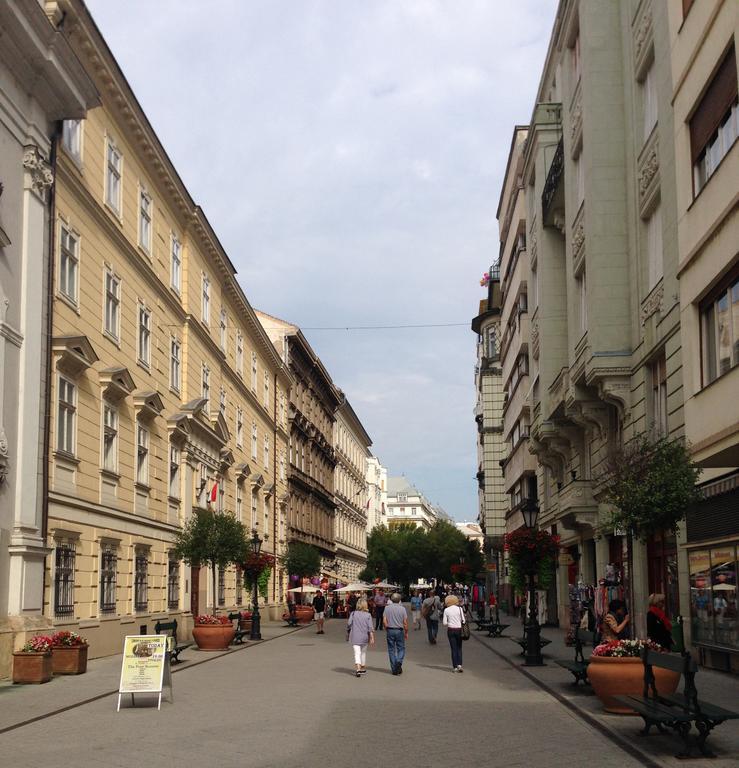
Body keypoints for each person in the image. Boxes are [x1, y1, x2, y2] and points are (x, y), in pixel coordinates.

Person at [346, 597, 374, 677]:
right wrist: (372, 637)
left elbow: (349, 624)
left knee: (357, 653)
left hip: (355, 636)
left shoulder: (353, 613)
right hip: (364, 636)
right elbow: (370, 627)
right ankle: (362, 668)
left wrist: (348, 630)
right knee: (363, 653)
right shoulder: (368, 615)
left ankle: (358, 669)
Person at [383, 593, 408, 675]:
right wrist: (406, 632)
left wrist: (386, 628)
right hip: (399, 630)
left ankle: (394, 668)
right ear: (399, 600)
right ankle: (399, 661)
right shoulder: (402, 609)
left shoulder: (387, 608)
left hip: (390, 629)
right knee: (401, 648)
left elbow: (384, 621)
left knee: (391, 649)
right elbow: (405, 622)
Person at [442, 594, 466, 673]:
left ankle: (454, 667)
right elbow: (463, 621)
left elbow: (444, 623)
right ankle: (460, 665)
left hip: (451, 630)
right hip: (459, 630)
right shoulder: (460, 609)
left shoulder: (446, 610)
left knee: (453, 648)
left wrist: (450, 621)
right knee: (459, 648)